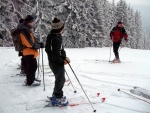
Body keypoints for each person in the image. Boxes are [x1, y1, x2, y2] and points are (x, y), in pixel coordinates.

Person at [45, 17, 70, 106]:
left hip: (55, 61)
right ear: (59, 28)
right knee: (60, 80)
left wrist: (64, 56)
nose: (63, 28)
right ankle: (57, 97)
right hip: (55, 63)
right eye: (62, 27)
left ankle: (56, 94)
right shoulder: (55, 38)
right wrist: (62, 61)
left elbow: (59, 50)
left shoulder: (54, 36)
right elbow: (54, 54)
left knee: (60, 79)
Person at [19, 15, 44, 86]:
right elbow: (29, 44)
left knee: (33, 66)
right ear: (28, 22)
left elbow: (31, 41)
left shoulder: (26, 29)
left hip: (29, 51)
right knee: (31, 67)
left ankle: (31, 79)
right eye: (32, 22)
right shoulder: (25, 31)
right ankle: (30, 81)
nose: (33, 23)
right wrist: (38, 46)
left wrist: (38, 43)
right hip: (29, 51)